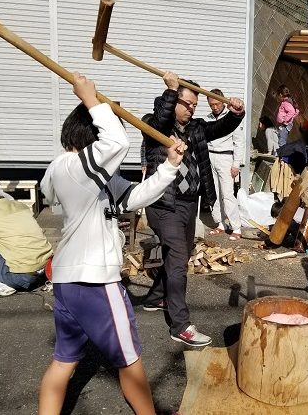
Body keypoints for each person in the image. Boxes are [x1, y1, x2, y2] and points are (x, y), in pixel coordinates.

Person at [38, 72, 186, 415]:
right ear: (92, 133)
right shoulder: (74, 167)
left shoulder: (83, 174)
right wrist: (91, 99)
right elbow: (117, 142)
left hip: (67, 281)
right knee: (130, 360)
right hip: (95, 282)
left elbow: (133, 198)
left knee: (64, 361)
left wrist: (169, 166)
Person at [140, 71, 245, 346]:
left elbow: (220, 128)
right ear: (173, 101)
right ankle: (181, 326)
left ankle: (156, 297)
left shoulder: (196, 128)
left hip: (188, 204)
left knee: (181, 254)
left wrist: (236, 114)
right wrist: (171, 90)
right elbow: (161, 121)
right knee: (177, 261)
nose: (192, 109)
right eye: (187, 103)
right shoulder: (153, 125)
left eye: (195, 105)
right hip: (164, 205)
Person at [206, 88, 245, 241]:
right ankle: (221, 223)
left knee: (228, 194)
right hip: (211, 156)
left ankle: (236, 227)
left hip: (226, 157)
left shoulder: (231, 118)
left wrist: (236, 164)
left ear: (222, 101)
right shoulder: (207, 118)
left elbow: (239, 142)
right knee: (214, 192)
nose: (214, 107)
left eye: (217, 104)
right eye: (211, 105)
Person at [275, 84, 299, 148]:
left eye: (277, 95)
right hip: (284, 125)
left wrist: (284, 120)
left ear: (280, 95)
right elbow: (296, 111)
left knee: (281, 141)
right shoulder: (289, 101)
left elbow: (292, 111)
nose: (277, 97)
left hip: (284, 126)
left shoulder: (286, 103)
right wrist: (291, 118)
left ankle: (282, 154)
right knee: (280, 139)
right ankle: (280, 153)